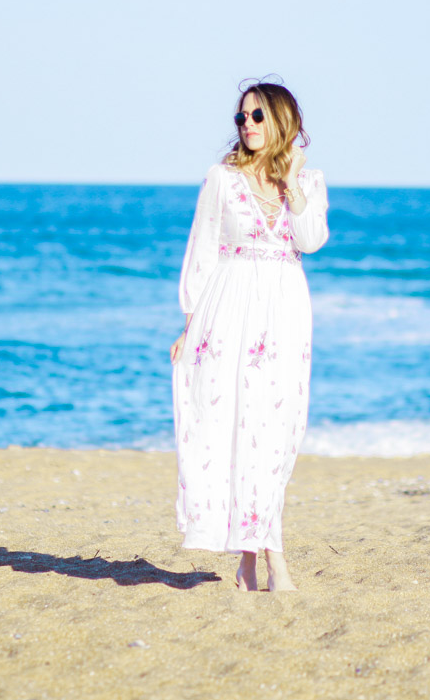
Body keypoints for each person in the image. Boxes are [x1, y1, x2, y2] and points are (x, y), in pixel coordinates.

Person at [168, 80, 329, 592]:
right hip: (227, 315)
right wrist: (190, 322)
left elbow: (312, 240)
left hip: (283, 317)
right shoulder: (222, 179)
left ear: (282, 120)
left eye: (257, 116)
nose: (247, 125)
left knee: (275, 435)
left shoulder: (310, 183)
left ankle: (255, 556)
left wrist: (294, 182)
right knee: (235, 429)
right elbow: (203, 251)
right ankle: (265, 560)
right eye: (241, 118)